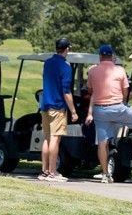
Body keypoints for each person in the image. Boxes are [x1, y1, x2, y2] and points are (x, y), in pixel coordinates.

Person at [83, 43, 132, 183]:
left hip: (100, 110)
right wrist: (123, 102)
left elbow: (91, 91)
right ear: (112, 56)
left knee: (102, 143)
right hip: (118, 107)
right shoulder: (120, 70)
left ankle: (105, 174)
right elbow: (126, 90)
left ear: (100, 56)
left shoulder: (92, 71)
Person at [39, 38, 78, 181]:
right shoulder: (65, 66)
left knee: (47, 138)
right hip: (57, 106)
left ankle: (44, 171)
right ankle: (52, 172)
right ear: (67, 49)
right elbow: (66, 91)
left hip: (45, 105)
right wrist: (73, 111)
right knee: (55, 138)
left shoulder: (48, 63)